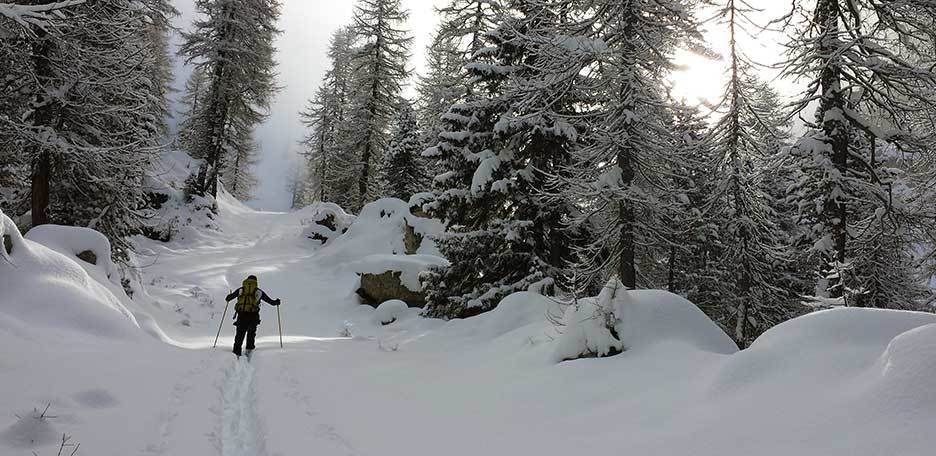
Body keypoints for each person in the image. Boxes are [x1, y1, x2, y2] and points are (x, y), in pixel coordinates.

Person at [225, 275, 280, 357]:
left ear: (246, 280)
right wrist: (276, 302)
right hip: (253, 316)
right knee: (251, 333)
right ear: (256, 282)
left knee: (240, 334)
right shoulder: (258, 291)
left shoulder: (241, 289)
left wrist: (229, 297)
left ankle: (236, 353)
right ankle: (249, 351)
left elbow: (228, 298)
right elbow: (271, 302)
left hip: (242, 315)